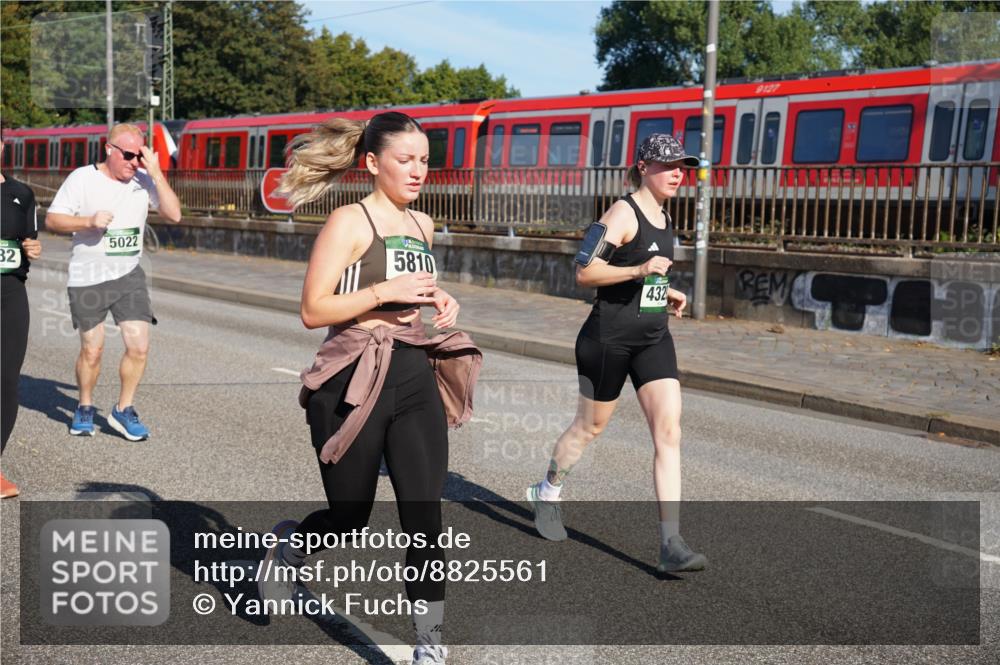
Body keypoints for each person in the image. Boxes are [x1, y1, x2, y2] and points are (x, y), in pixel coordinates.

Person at [259, 112, 481, 665]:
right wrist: (386, 288)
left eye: (425, 160)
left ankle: (430, 645)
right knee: (349, 518)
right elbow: (313, 310)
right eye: (405, 160)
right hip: (352, 379)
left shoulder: (424, 225)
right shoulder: (349, 222)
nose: (418, 170)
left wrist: (439, 298)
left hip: (411, 374)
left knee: (425, 519)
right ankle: (289, 547)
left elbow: (413, 291)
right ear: (373, 163)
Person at [526, 133, 708, 573]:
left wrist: (665, 292)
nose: (678, 173)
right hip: (607, 340)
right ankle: (547, 492)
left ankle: (671, 543)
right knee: (589, 428)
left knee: (669, 433)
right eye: (668, 166)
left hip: (653, 338)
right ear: (643, 168)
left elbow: (642, 280)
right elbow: (584, 272)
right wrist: (640, 269)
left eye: (682, 166)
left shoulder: (665, 219)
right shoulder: (622, 213)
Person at [45, 123, 182, 441]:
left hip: (128, 276)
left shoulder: (143, 180)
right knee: (93, 351)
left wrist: (157, 173)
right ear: (110, 149)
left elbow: (174, 214)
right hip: (88, 277)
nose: (135, 162)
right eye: (130, 155)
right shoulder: (82, 178)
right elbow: (53, 219)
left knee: (139, 347)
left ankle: (123, 409)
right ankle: (85, 406)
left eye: (141, 156)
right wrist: (87, 221)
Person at [1, 140, 41, 499]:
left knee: (6, 380)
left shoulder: (20, 193)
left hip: (11, 293)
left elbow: (28, 240)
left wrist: (33, 248)